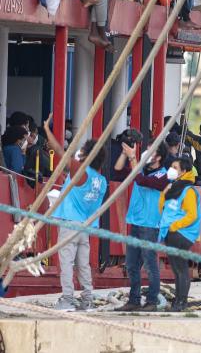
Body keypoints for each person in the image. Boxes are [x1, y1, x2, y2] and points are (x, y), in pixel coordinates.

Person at [43, 114, 108, 311]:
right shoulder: (101, 180)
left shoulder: (81, 172)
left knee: (66, 263)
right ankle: (87, 299)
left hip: (69, 223)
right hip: (85, 227)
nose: (79, 153)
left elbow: (59, 151)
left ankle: (68, 299)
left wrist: (47, 129)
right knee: (83, 265)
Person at [115, 141, 168, 312]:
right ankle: (134, 299)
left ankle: (152, 301)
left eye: (150, 151)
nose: (146, 153)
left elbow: (143, 181)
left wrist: (133, 157)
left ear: (158, 157)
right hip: (136, 222)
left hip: (150, 225)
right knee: (131, 264)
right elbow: (118, 169)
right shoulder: (141, 169)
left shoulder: (164, 175)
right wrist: (126, 154)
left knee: (150, 263)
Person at [158, 156, 201, 311]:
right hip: (171, 232)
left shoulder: (188, 190)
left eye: (175, 167)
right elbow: (162, 208)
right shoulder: (173, 188)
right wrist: (165, 192)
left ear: (184, 171)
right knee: (177, 269)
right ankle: (178, 301)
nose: (172, 170)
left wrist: (175, 226)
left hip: (181, 233)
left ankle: (181, 302)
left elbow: (192, 215)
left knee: (181, 269)